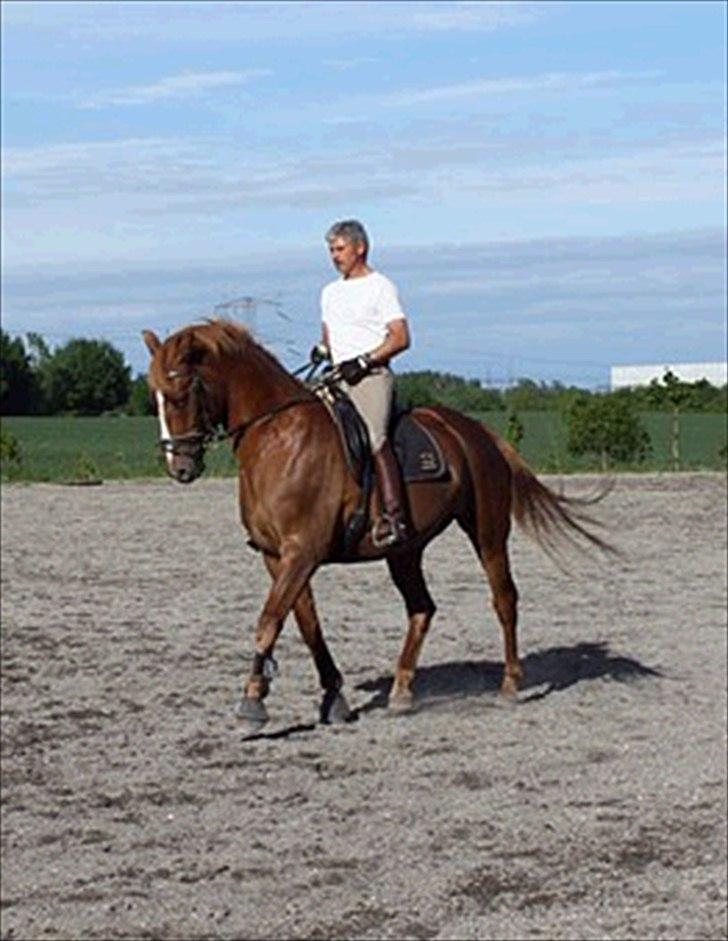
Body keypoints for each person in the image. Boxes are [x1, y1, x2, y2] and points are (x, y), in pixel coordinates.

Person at [313, 219, 411, 547]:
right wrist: (323, 350)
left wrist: (366, 361)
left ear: (360, 248)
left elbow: (400, 337)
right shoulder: (330, 292)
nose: (334, 256)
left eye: (339, 249)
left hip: (370, 377)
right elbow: (331, 335)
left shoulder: (381, 286)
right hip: (338, 376)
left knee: (373, 437)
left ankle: (394, 517)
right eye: (331, 250)